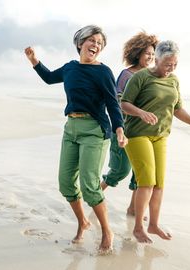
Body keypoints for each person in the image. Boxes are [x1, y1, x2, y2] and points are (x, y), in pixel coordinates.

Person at [24, 25, 128, 252]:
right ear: (80, 43)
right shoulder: (70, 68)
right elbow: (50, 78)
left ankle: (107, 231)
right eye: (91, 40)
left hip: (95, 131)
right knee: (65, 184)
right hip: (71, 128)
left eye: (99, 43)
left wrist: (119, 129)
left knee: (89, 186)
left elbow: (112, 102)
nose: (96, 45)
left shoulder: (103, 72)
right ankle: (83, 222)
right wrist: (34, 61)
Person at [121, 40, 190, 243]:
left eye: (175, 64)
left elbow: (177, 108)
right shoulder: (141, 77)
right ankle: (138, 228)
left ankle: (153, 224)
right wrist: (141, 113)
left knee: (159, 184)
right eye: (168, 63)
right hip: (137, 134)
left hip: (161, 135)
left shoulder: (174, 81)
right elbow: (124, 103)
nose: (171, 68)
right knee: (147, 182)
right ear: (157, 59)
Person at [100, 31, 158, 219]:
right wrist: (138, 113)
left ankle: (134, 209)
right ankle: (97, 194)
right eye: (147, 53)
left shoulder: (153, 75)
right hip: (123, 130)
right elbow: (118, 102)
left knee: (140, 173)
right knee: (120, 170)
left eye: (152, 54)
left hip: (144, 132)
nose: (150, 57)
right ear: (137, 53)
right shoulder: (126, 75)